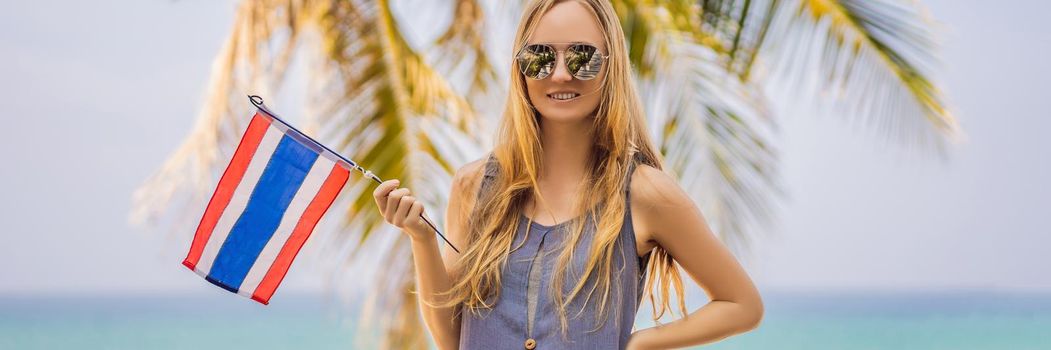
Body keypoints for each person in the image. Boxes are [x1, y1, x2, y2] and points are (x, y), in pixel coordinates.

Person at [372, 0, 764, 348]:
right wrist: (421, 238)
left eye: (582, 57)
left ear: (611, 66)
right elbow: (451, 338)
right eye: (540, 57)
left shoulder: (645, 194)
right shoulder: (474, 186)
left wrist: (642, 344)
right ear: (520, 68)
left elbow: (742, 304)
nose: (560, 74)